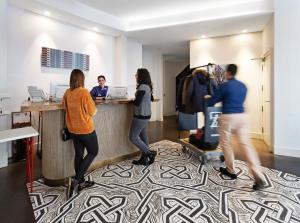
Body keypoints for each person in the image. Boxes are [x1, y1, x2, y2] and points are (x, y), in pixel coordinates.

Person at [206, 64, 265, 190]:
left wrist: (208, 97)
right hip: (243, 117)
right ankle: (258, 175)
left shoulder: (224, 86)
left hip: (229, 117)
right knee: (246, 145)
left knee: (226, 144)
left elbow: (212, 102)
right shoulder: (243, 86)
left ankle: (231, 170)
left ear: (227, 73)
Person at [63, 69, 99, 199]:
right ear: (81, 79)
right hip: (86, 129)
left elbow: (64, 107)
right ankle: (76, 179)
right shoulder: (84, 92)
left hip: (73, 130)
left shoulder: (67, 92)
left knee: (79, 154)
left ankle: (81, 182)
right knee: (93, 151)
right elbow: (92, 111)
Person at [129, 68, 156, 165]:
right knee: (144, 137)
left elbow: (137, 102)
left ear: (141, 76)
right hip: (146, 115)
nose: (135, 76)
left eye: (137, 74)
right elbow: (151, 98)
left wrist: (132, 100)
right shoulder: (147, 86)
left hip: (140, 115)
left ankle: (150, 153)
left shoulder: (142, 87)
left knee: (133, 137)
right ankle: (144, 159)